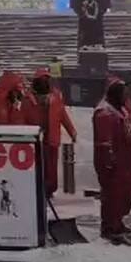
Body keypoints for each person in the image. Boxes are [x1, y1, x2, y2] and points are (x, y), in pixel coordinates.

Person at [93, 78, 131, 244]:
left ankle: (118, 222)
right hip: (113, 163)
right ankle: (109, 227)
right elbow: (104, 142)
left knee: (126, 193)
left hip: (125, 161)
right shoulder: (104, 113)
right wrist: (108, 161)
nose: (126, 97)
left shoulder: (120, 110)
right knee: (113, 195)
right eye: (124, 94)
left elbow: (129, 135)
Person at [21, 67, 77, 197]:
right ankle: (39, 189)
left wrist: (72, 131)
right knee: (37, 167)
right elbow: (22, 119)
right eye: (42, 79)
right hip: (34, 140)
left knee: (51, 167)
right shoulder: (27, 99)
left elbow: (63, 115)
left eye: (46, 79)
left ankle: (50, 189)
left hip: (51, 138)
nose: (44, 82)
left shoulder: (56, 97)